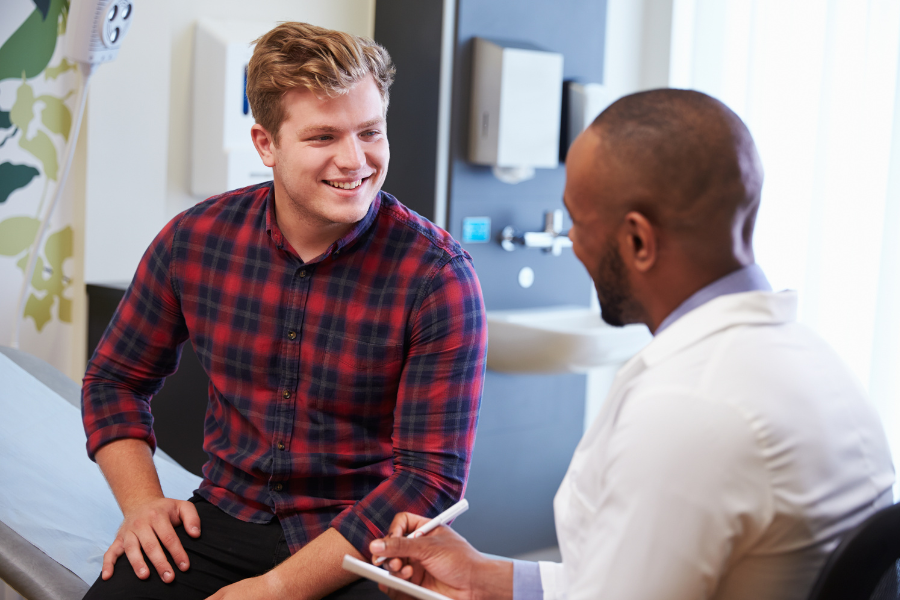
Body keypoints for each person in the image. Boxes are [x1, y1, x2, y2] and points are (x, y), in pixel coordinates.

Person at [369, 89, 896, 600]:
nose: (571, 241)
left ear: (638, 241)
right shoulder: (813, 362)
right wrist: (483, 577)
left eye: (577, 221)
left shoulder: (688, 407)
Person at [80, 22, 487, 600]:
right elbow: (113, 380)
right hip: (219, 518)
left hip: (361, 544)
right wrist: (143, 504)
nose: (356, 160)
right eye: (323, 137)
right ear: (265, 144)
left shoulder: (437, 276)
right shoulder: (195, 241)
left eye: (370, 131)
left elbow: (430, 479)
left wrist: (276, 589)